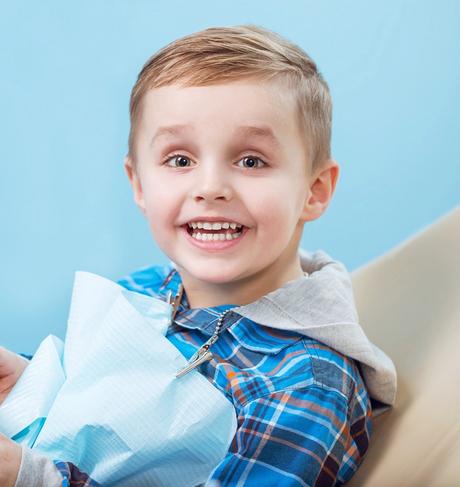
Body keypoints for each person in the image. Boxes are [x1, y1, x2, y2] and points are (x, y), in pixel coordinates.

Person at [0, 24, 397, 486]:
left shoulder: (304, 386)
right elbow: (98, 415)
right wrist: (24, 383)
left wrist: (30, 478)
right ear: (139, 185)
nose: (209, 188)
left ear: (314, 190)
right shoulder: (148, 288)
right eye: (180, 160)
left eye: (251, 160)